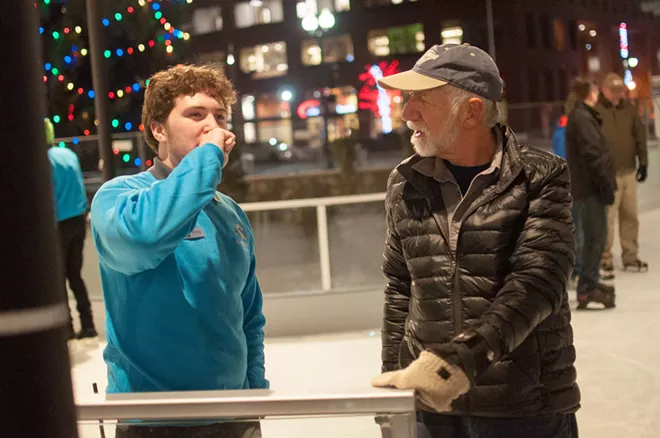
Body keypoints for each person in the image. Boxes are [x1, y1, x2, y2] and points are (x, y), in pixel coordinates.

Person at [371, 44, 579, 438]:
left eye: (421, 100)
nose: (406, 113)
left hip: (522, 407)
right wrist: (393, 401)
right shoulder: (404, 184)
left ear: (471, 112)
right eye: (407, 99)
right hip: (430, 411)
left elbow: (539, 281)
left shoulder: (540, 177)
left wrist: (462, 360)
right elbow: (400, 290)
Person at [90, 65, 266, 438]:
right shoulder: (119, 197)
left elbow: (248, 314)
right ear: (158, 129)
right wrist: (207, 159)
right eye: (196, 114)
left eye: (219, 116)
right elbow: (145, 241)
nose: (212, 126)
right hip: (153, 421)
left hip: (233, 416)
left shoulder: (229, 212)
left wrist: (255, 393)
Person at [565, 78, 617, 309]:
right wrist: (606, 185)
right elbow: (594, 156)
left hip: (589, 189)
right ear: (590, 93)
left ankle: (590, 281)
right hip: (590, 190)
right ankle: (587, 287)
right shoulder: (582, 118)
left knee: (595, 239)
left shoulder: (582, 116)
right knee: (595, 239)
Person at [46, 117, 97, 340]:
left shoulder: (42, 161)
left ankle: (65, 328)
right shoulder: (68, 155)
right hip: (77, 220)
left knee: (57, 278)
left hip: (57, 224)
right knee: (75, 276)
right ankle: (88, 325)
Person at [595, 72, 648, 279]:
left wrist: (643, 162)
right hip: (608, 175)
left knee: (631, 216)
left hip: (628, 171)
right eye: (614, 91)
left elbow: (639, 135)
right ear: (604, 90)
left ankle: (630, 255)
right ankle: (605, 258)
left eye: (620, 91)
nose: (618, 95)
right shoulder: (596, 111)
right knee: (608, 218)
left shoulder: (629, 109)